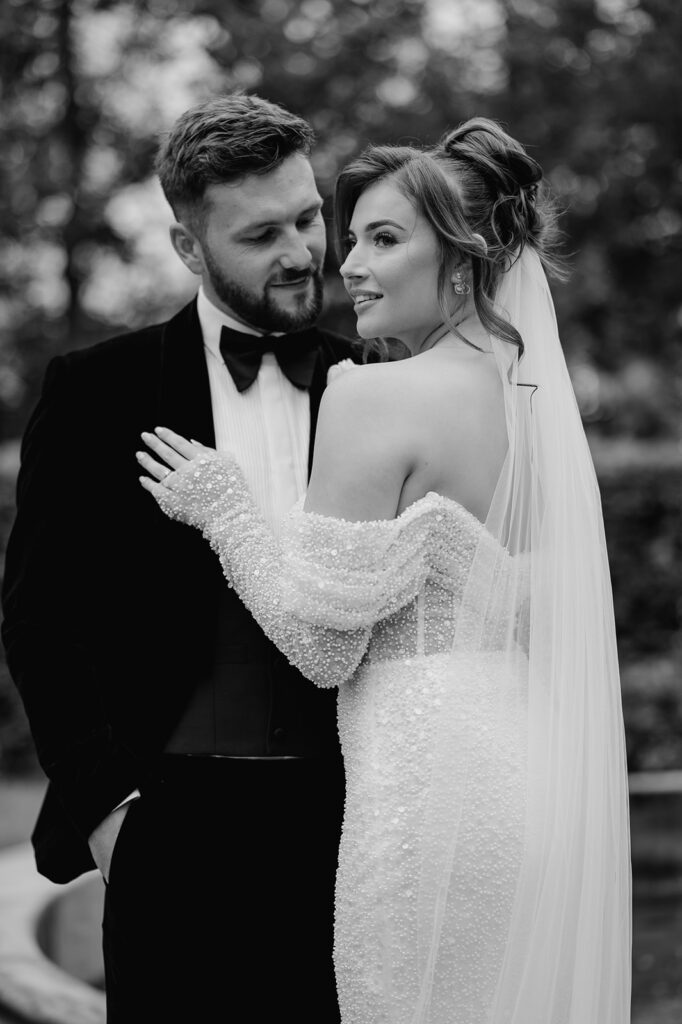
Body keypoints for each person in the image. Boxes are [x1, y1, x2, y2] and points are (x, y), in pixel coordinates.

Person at [136, 118, 632, 1024]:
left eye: (385, 239)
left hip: (424, 788)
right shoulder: (533, 402)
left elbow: (322, 648)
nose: (348, 264)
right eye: (354, 235)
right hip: (525, 773)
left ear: (463, 256)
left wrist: (226, 510)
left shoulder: (374, 392)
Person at [1, 93, 357, 1022]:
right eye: (259, 235)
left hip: (357, 821)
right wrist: (114, 816)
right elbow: (40, 619)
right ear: (188, 247)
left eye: (309, 216)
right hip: (170, 822)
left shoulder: (382, 379)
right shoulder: (95, 393)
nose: (300, 252)